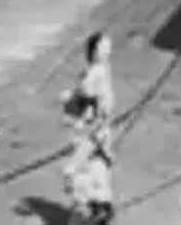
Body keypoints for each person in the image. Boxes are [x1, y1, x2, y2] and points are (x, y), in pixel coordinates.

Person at [62, 33, 115, 225]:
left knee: (82, 170)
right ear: (94, 51)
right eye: (103, 48)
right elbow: (87, 95)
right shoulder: (97, 72)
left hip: (95, 131)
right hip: (94, 130)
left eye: (108, 48)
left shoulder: (99, 71)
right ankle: (95, 209)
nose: (107, 51)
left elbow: (88, 95)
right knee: (91, 169)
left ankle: (92, 210)